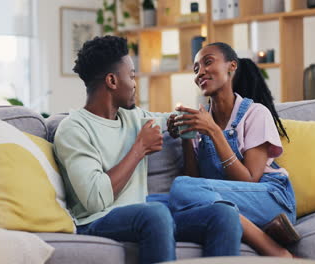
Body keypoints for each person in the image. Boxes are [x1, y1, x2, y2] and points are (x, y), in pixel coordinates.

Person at [53, 36, 243, 264]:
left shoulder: (133, 117)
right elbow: (96, 199)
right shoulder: (74, 129)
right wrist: (139, 148)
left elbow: (177, 119)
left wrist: (185, 123)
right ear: (112, 81)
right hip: (95, 221)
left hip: (144, 215)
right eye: (132, 76)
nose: (135, 84)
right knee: (155, 212)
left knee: (224, 214)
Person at [167, 42, 300, 257]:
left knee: (181, 187)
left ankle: (276, 251)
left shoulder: (256, 113)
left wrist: (214, 131)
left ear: (232, 66)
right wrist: (186, 136)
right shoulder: (200, 123)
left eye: (208, 62)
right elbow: (196, 182)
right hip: (227, 202)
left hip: (270, 199)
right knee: (154, 204)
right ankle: (239, 221)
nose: (200, 72)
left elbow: (248, 180)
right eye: (195, 69)